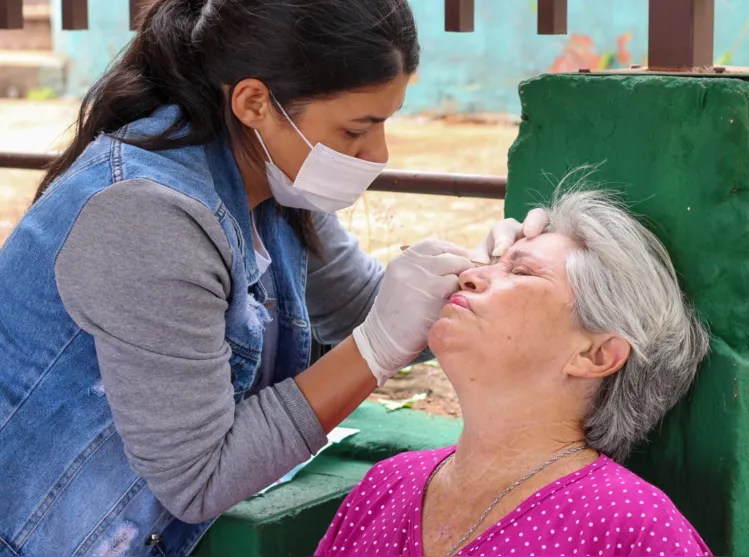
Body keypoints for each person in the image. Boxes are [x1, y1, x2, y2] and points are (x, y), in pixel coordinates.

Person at [0, 1, 548, 555]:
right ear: (255, 103)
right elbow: (199, 478)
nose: (379, 153)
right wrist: (375, 346)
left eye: (387, 120)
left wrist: (486, 278)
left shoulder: (276, 180)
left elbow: (364, 306)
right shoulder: (148, 217)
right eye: (358, 128)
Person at [316, 187, 713, 557]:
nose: (469, 275)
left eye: (521, 272)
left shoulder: (632, 528)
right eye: (490, 263)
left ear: (595, 355)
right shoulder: (386, 485)